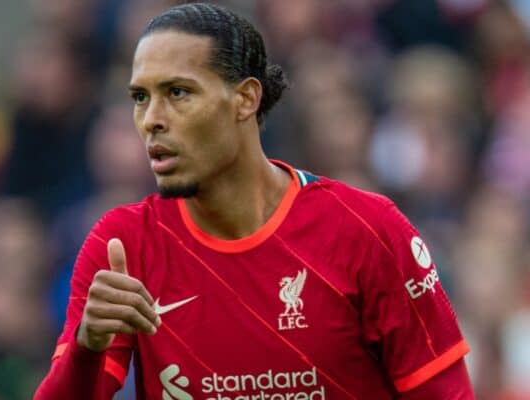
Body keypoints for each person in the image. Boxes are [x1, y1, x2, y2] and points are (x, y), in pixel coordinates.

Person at [34, 3, 474, 399]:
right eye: (140, 98)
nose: (151, 120)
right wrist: (87, 349)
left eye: (178, 93)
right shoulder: (124, 247)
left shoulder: (367, 229)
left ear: (245, 98)